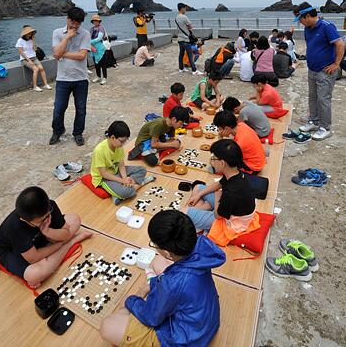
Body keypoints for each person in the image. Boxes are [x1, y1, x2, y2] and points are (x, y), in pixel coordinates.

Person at [100, 210, 225, 347]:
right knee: (157, 262)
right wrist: (152, 284)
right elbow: (174, 282)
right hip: (205, 323)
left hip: (186, 339)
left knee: (108, 326)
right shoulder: (201, 244)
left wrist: (133, 299)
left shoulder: (171, 284)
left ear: (167, 253)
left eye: (154, 245)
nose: (155, 248)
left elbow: (152, 317)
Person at [0, 186, 92, 288]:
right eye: (41, 221)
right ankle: (72, 242)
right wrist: (61, 243)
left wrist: (48, 231)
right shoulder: (15, 227)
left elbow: (66, 233)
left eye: (47, 216)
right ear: (24, 220)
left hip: (39, 238)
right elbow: (33, 258)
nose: (46, 220)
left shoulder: (50, 206)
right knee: (34, 275)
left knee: (75, 219)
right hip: (13, 251)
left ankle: (54, 252)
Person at [185, 140, 258, 238]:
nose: (212, 162)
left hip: (231, 222)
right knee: (198, 188)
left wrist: (217, 198)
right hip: (228, 207)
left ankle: (200, 220)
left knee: (184, 212)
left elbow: (218, 216)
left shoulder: (231, 192)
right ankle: (202, 211)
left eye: (213, 159)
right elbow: (219, 184)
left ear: (223, 163)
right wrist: (199, 195)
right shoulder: (234, 173)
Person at [293, 2, 344, 140]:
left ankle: (325, 128)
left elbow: (340, 44)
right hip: (312, 69)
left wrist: (336, 64)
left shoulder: (327, 27)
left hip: (325, 71)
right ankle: (314, 121)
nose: (300, 23)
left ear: (308, 16)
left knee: (323, 99)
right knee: (313, 97)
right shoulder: (308, 29)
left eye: (300, 20)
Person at [50, 7, 90, 146]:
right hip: (63, 79)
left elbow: (81, 56)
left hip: (81, 78)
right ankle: (57, 131)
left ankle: (78, 133)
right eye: (72, 21)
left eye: (78, 23)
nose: (74, 25)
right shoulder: (57, 33)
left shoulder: (85, 34)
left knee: (81, 108)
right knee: (59, 108)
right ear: (67, 19)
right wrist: (67, 37)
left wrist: (62, 53)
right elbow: (56, 54)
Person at [91, 121, 155, 205]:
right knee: (125, 193)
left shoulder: (118, 146)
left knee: (142, 169)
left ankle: (121, 191)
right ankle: (141, 183)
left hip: (116, 171)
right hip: (103, 178)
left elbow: (121, 165)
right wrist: (122, 180)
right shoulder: (99, 150)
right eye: (122, 141)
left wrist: (125, 179)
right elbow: (104, 174)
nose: (123, 144)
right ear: (113, 137)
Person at [15, 26, 51, 92]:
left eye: (31, 33)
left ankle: (45, 84)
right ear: (25, 34)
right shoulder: (20, 40)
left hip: (34, 57)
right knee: (36, 69)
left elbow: (35, 50)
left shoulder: (31, 40)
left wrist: (34, 42)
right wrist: (29, 60)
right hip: (24, 59)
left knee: (41, 68)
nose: (30, 34)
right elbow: (21, 52)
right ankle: (35, 86)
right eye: (29, 33)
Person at [176, 2, 203, 75]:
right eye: (185, 8)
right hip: (185, 39)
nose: (185, 10)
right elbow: (190, 26)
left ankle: (181, 68)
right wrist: (187, 27)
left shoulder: (176, 17)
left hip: (179, 39)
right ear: (182, 8)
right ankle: (194, 70)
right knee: (190, 54)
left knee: (181, 54)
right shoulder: (184, 17)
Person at [90, 14, 108, 85]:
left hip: (100, 48)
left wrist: (90, 42)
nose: (95, 22)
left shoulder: (101, 28)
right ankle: (98, 76)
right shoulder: (91, 29)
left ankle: (104, 78)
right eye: (94, 21)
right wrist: (90, 43)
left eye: (96, 20)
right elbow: (88, 37)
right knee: (96, 64)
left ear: (99, 21)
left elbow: (99, 38)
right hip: (93, 48)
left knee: (103, 64)